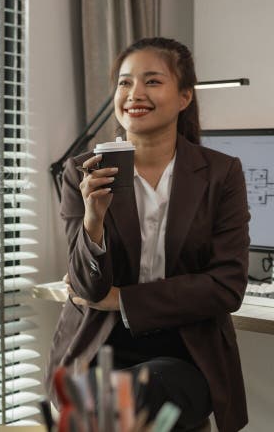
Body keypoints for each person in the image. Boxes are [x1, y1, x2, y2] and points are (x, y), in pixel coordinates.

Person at [46, 37, 249, 431]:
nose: (134, 93)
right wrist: (93, 220)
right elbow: (87, 290)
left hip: (189, 351)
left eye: (152, 81)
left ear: (185, 96)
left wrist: (123, 300)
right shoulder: (82, 171)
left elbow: (226, 286)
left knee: (136, 397)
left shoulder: (221, 173)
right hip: (97, 347)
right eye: (124, 83)